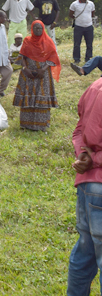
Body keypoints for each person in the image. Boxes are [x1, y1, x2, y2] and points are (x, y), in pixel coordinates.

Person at [67, 77, 102, 294]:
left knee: (86, 250)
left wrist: (84, 154)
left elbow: (79, 130)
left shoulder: (96, 86)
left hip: (89, 185)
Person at [13, 20, 60, 131]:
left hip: (43, 75)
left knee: (41, 95)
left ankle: (41, 125)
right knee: (27, 95)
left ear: (43, 29)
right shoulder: (27, 41)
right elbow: (22, 56)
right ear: (32, 29)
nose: (38, 30)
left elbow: (53, 58)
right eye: (36, 28)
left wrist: (43, 70)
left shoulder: (48, 41)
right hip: (28, 74)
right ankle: (26, 124)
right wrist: (25, 68)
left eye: (40, 28)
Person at [70, 0, 96, 64]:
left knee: (89, 43)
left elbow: (92, 14)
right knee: (77, 44)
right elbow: (71, 14)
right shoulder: (74, 4)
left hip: (89, 26)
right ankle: (77, 59)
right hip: (78, 27)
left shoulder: (91, 4)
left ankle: (88, 58)